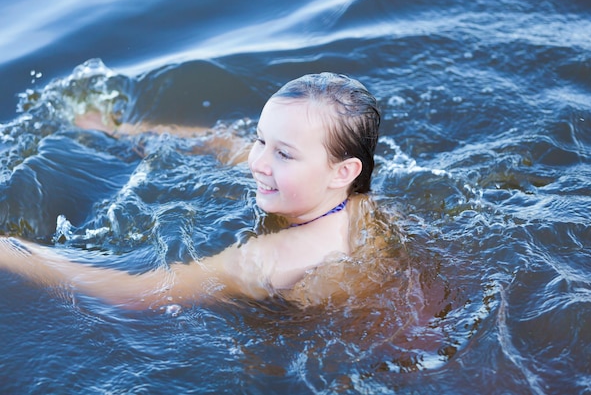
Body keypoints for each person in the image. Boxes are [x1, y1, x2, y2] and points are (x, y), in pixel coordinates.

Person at [0, 72, 391, 310]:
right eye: (260, 141)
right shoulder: (363, 206)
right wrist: (119, 131)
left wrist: (12, 251)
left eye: (283, 154)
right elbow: (222, 143)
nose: (257, 162)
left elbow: (139, 294)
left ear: (342, 171)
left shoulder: (273, 257)